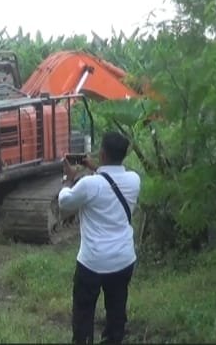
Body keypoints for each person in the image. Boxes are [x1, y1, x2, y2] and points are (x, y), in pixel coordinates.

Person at [58, 131, 141, 344]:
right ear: (124, 154)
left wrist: (68, 179)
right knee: (117, 309)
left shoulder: (89, 184)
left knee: (84, 313)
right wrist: (95, 167)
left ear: (102, 154)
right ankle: (114, 338)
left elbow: (65, 202)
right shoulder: (134, 180)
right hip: (123, 260)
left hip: (92, 262)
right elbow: (111, 182)